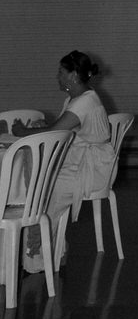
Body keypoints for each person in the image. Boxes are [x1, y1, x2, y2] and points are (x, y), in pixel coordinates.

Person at [15, 51, 114, 274]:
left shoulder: (86, 102)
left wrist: (23, 131)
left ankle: (38, 257)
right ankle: (54, 252)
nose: (57, 76)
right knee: (42, 189)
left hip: (91, 168)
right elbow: (63, 128)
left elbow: (54, 131)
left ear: (73, 76)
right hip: (82, 162)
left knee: (45, 194)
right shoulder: (76, 99)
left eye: (61, 72)